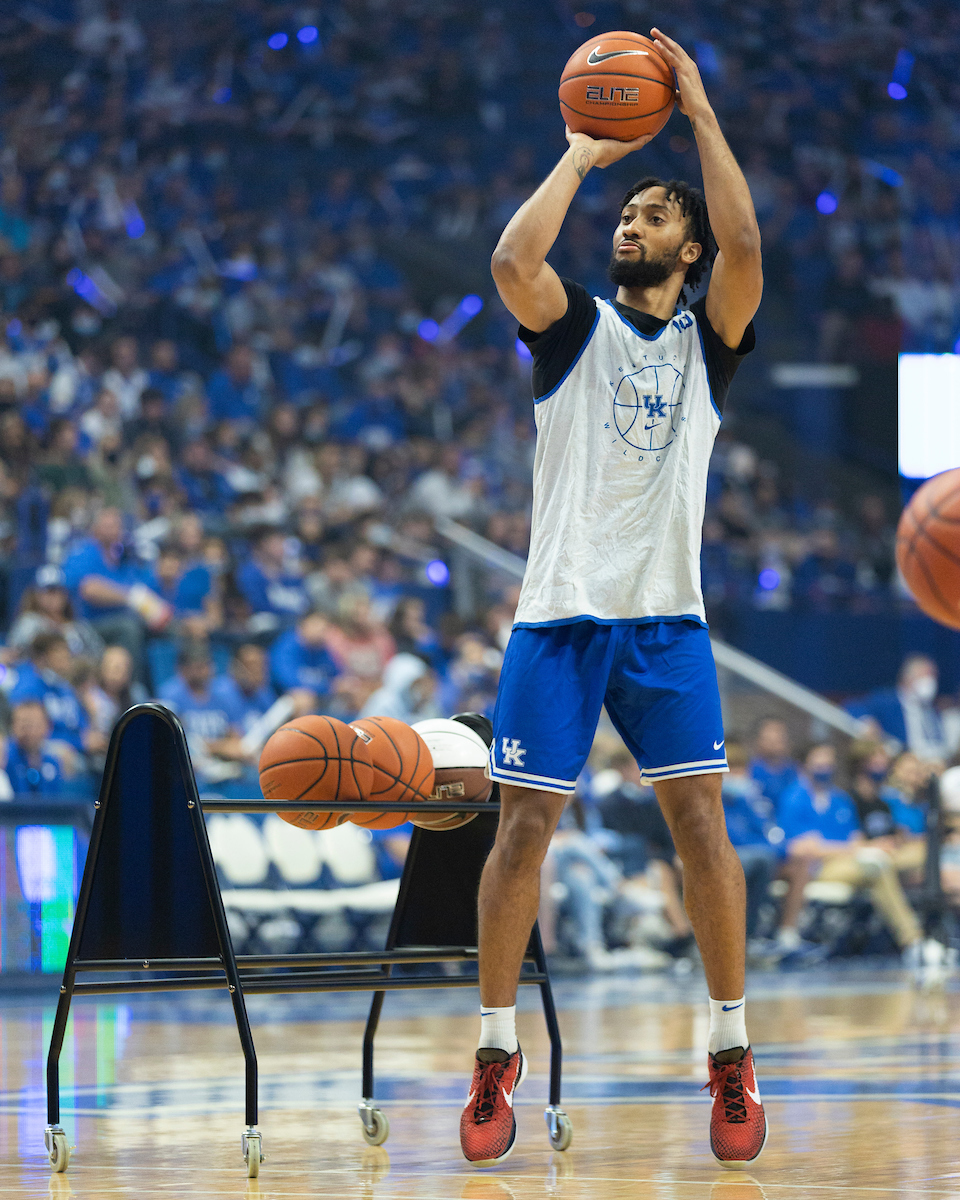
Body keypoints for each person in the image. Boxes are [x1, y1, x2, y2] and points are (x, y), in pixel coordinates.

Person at [463, 28, 764, 1168]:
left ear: (683, 247)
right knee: (521, 831)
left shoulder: (708, 343)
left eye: (650, 216)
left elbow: (743, 238)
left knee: (702, 827)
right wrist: (584, 159)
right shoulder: (575, 327)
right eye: (624, 216)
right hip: (560, 617)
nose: (630, 226)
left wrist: (694, 110)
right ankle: (498, 1053)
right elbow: (509, 261)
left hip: (665, 622)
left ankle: (730, 1049)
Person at [776, 743, 924, 961]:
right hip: (814, 868)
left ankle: (914, 941)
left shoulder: (840, 799)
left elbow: (854, 841)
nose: (825, 767)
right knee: (876, 867)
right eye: (819, 762)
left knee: (896, 860)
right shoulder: (793, 797)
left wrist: (830, 847)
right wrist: (843, 849)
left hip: (844, 862)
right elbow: (800, 848)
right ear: (805, 765)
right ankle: (913, 941)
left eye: (828, 762)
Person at [846, 655, 953, 762]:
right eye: (926, 675)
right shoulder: (886, 701)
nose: (931, 681)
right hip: (901, 760)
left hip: (935, 762)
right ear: (908, 677)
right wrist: (866, 721)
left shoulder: (932, 709)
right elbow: (853, 706)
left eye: (933, 676)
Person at [5, 700, 65, 795]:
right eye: (23, 724)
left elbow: (54, 804)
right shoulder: (5, 758)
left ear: (47, 726)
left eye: (33, 724)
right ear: (13, 725)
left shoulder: (52, 762)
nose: (28, 730)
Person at [749, 718, 800, 812]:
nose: (774, 742)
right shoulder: (749, 771)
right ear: (758, 740)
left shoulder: (796, 772)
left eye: (779, 737)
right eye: (769, 738)